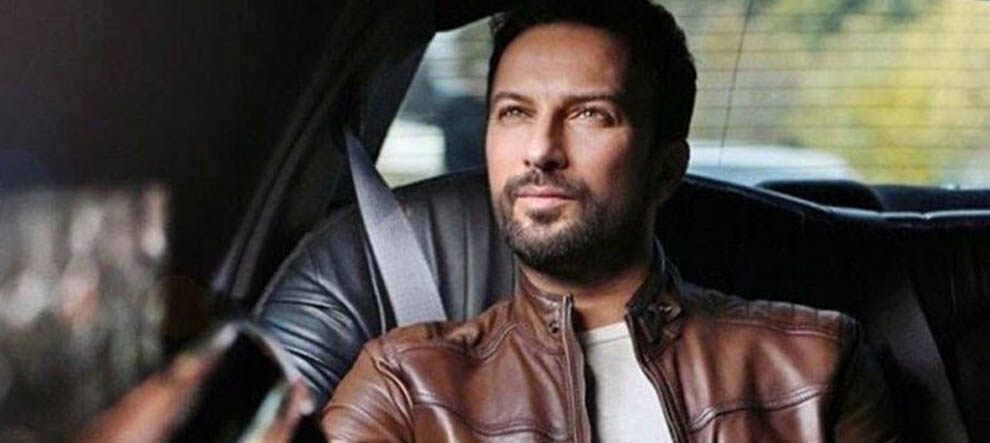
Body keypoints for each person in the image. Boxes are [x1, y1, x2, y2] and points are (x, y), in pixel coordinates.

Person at [322, 0, 899, 441]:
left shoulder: (816, 368)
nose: (540, 151)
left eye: (590, 115)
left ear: (665, 169)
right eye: (515, 112)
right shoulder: (405, 384)